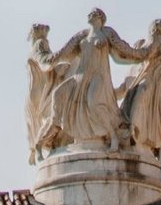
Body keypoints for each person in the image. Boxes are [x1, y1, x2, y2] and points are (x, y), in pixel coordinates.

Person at [48, 9, 144, 152]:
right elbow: (64, 52)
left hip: (98, 76)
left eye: (94, 13)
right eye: (90, 13)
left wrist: (145, 53)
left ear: (101, 17)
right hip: (80, 76)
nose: (90, 14)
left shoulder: (107, 33)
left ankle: (113, 136)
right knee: (58, 93)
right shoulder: (82, 34)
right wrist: (47, 59)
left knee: (93, 103)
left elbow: (124, 50)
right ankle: (56, 128)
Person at [117, 18, 161, 156]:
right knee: (141, 94)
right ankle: (132, 130)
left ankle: (159, 151)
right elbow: (142, 54)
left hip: (158, 88)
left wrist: (159, 83)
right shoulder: (154, 43)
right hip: (148, 82)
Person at [24, 23, 69, 163]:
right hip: (43, 89)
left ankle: (41, 147)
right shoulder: (40, 44)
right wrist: (63, 61)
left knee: (45, 117)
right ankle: (42, 144)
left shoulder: (33, 49)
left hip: (34, 91)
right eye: (43, 31)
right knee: (52, 115)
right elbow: (46, 63)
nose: (45, 36)